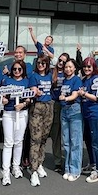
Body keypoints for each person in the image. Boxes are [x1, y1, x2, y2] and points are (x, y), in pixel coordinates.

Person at [0, 59, 32, 186]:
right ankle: (6, 172)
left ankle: (16, 167)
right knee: (8, 142)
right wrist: (4, 100)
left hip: (22, 113)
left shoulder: (26, 81)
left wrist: (23, 104)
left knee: (19, 141)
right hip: (9, 113)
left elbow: (29, 98)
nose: (17, 71)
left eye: (19, 69)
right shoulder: (7, 81)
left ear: (23, 70)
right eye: (14, 69)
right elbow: (3, 96)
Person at [27, 56, 55, 187]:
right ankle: (33, 170)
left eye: (43, 63)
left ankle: (39, 164)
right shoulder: (34, 76)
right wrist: (34, 92)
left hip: (49, 106)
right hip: (37, 107)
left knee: (44, 137)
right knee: (35, 139)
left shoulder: (50, 75)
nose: (40, 65)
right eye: (38, 62)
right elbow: (32, 89)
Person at [79, 57, 98, 182]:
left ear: (93, 67)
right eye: (85, 66)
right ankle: (93, 163)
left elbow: (96, 97)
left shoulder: (96, 80)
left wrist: (84, 94)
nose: (86, 68)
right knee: (89, 141)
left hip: (95, 113)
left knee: (96, 142)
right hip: (86, 114)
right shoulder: (84, 80)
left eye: (89, 66)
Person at [58, 58, 84, 181]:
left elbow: (75, 94)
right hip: (64, 111)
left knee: (75, 141)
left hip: (74, 110)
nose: (68, 69)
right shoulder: (64, 80)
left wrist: (66, 99)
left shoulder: (76, 79)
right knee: (66, 142)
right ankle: (67, 168)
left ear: (74, 68)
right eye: (66, 67)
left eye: (70, 67)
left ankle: (75, 170)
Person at [49, 52, 70, 173]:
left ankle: (68, 160)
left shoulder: (69, 73)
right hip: (55, 104)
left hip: (67, 104)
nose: (61, 63)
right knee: (56, 135)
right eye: (60, 60)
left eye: (64, 61)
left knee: (67, 134)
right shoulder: (52, 72)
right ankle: (58, 161)